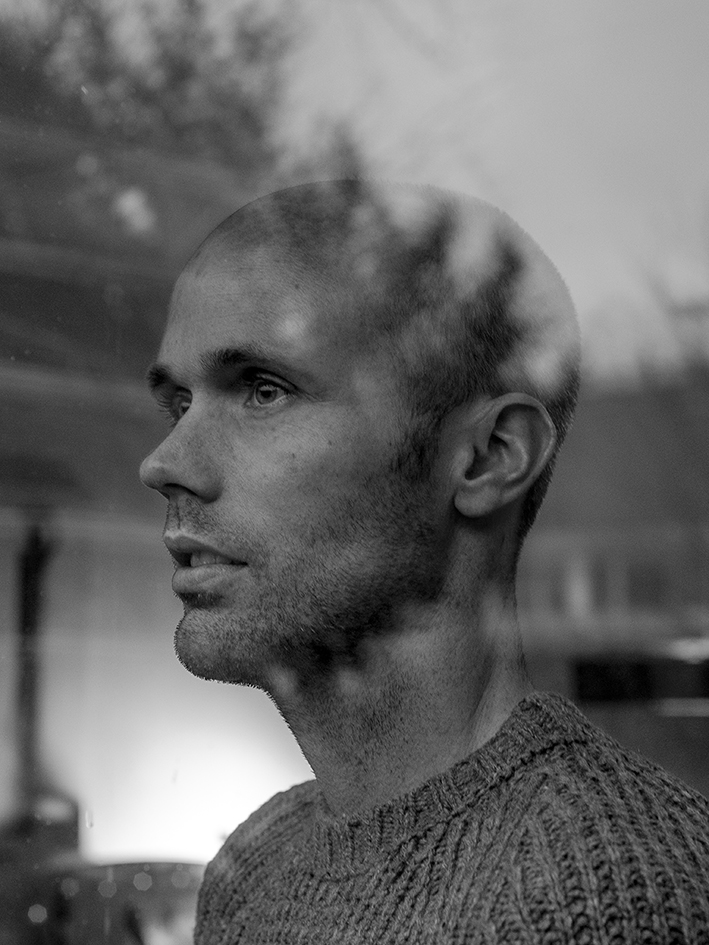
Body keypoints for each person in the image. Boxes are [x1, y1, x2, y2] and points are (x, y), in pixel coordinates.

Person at [139, 180, 709, 944]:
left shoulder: (607, 892)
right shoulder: (256, 864)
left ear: (489, 457)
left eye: (263, 390)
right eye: (179, 403)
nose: (164, 462)